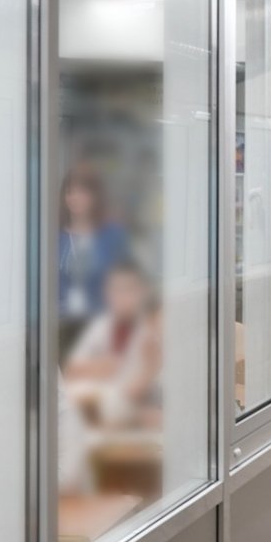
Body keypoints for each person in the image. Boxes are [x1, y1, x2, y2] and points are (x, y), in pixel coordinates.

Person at [63, 261, 159, 424]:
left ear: (143, 292)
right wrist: (102, 367)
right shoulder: (100, 326)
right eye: (115, 290)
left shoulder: (152, 332)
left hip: (135, 423)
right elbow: (72, 370)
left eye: (128, 289)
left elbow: (140, 391)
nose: (121, 297)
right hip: (97, 417)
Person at [58, 164, 128, 326]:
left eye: (82, 192)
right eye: (70, 192)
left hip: (103, 323)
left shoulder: (112, 235)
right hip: (61, 326)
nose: (75, 197)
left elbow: (125, 283)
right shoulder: (54, 237)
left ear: (95, 196)